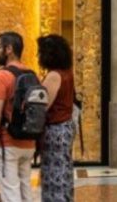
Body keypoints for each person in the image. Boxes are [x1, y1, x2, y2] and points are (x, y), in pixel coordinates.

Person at [0, 32, 37, 202]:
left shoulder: (1, 76)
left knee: (11, 194)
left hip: (7, 144)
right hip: (29, 143)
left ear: (9, 49)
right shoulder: (32, 75)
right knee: (26, 192)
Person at [37, 34, 77, 202]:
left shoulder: (54, 75)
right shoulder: (68, 73)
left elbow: (43, 105)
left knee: (54, 171)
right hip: (66, 126)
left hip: (55, 129)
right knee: (64, 168)